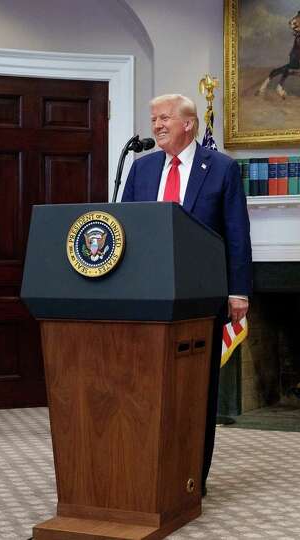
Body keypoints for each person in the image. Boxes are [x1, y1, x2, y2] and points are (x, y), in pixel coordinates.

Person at [121, 93, 252, 497]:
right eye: (153, 118)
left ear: (189, 124)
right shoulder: (141, 169)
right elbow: (124, 227)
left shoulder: (222, 169)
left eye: (164, 118)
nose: (157, 125)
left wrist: (238, 292)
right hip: (148, 297)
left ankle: (194, 475)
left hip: (201, 297)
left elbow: (237, 234)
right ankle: (145, 470)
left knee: (197, 390)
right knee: (145, 386)